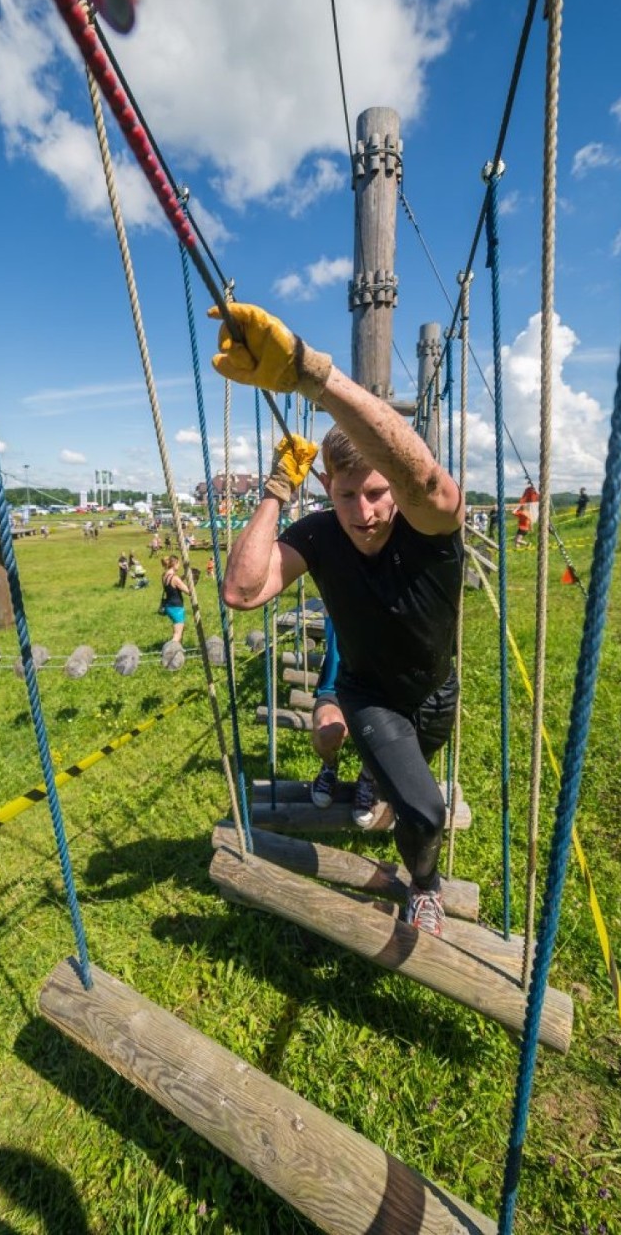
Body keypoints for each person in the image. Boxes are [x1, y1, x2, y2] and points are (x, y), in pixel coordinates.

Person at [211, 302, 464, 937]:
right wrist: (275, 490)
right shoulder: (320, 533)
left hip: (435, 695)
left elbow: (428, 480)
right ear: (327, 486)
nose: (365, 512)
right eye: (347, 494)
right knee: (427, 812)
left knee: (394, 783)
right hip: (369, 694)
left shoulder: (429, 529)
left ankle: (374, 778)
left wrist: (314, 376)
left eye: (378, 492)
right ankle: (424, 885)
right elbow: (242, 592)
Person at [308, 616, 380, 826]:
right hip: (336, 686)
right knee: (327, 728)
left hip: (380, 691)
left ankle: (367, 778)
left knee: (383, 732)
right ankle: (329, 767)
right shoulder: (339, 589)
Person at [161, 554, 189, 644]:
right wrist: (194, 581)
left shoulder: (164, 576)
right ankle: (171, 651)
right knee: (177, 634)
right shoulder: (175, 578)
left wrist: (184, 576)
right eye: (178, 564)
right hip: (176, 608)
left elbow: (173, 585)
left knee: (178, 630)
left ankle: (178, 649)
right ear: (174, 564)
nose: (179, 566)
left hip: (169, 606)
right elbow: (188, 591)